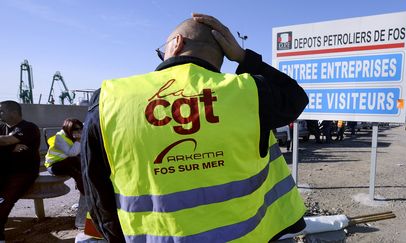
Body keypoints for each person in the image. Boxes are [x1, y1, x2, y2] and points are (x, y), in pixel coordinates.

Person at [81, 13, 309, 242]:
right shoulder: (248, 93)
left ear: (176, 43)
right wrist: (241, 56)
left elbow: (97, 193)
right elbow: (295, 96)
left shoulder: (110, 100)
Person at [0, 100, 40, 242]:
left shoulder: (29, 127)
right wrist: (11, 147)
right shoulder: (1, 127)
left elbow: (6, 141)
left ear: (14, 113)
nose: (0, 114)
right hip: (4, 171)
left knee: (4, 200)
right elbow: (7, 142)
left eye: (2, 111)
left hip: (23, 172)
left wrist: (6, 144)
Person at [45, 118, 84, 195]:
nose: (79, 131)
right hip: (54, 165)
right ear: (68, 129)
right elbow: (72, 153)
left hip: (67, 162)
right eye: (76, 129)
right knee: (76, 170)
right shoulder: (59, 137)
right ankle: (86, 194)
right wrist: (79, 140)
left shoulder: (72, 137)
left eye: (81, 128)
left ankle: (88, 193)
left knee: (84, 165)